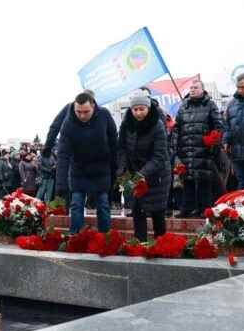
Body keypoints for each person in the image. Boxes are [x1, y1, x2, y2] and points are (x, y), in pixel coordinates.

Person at [56, 91, 117, 234]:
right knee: (76, 204)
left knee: (103, 204)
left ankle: (105, 238)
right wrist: (60, 184)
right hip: (79, 170)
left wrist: (115, 168)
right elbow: (63, 154)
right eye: (78, 112)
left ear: (94, 106)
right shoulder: (68, 123)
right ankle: (75, 236)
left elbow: (114, 141)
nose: (82, 116)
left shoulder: (104, 115)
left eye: (86, 112)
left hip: (101, 169)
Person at [117, 94, 170, 241]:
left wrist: (142, 174)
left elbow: (160, 155)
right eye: (135, 109)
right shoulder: (126, 124)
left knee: (157, 212)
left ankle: (162, 244)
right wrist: (121, 168)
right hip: (136, 174)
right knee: (137, 209)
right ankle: (140, 244)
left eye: (142, 109)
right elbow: (121, 148)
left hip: (157, 175)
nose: (138, 113)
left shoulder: (157, 124)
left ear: (148, 108)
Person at [173, 80, 224, 217]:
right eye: (191, 87)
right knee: (187, 179)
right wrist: (175, 145)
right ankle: (187, 208)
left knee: (203, 180)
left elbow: (218, 126)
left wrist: (213, 142)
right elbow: (177, 127)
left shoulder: (210, 105)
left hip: (203, 149)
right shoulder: (183, 106)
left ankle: (204, 209)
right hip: (186, 148)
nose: (192, 90)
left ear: (203, 89)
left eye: (195, 87)